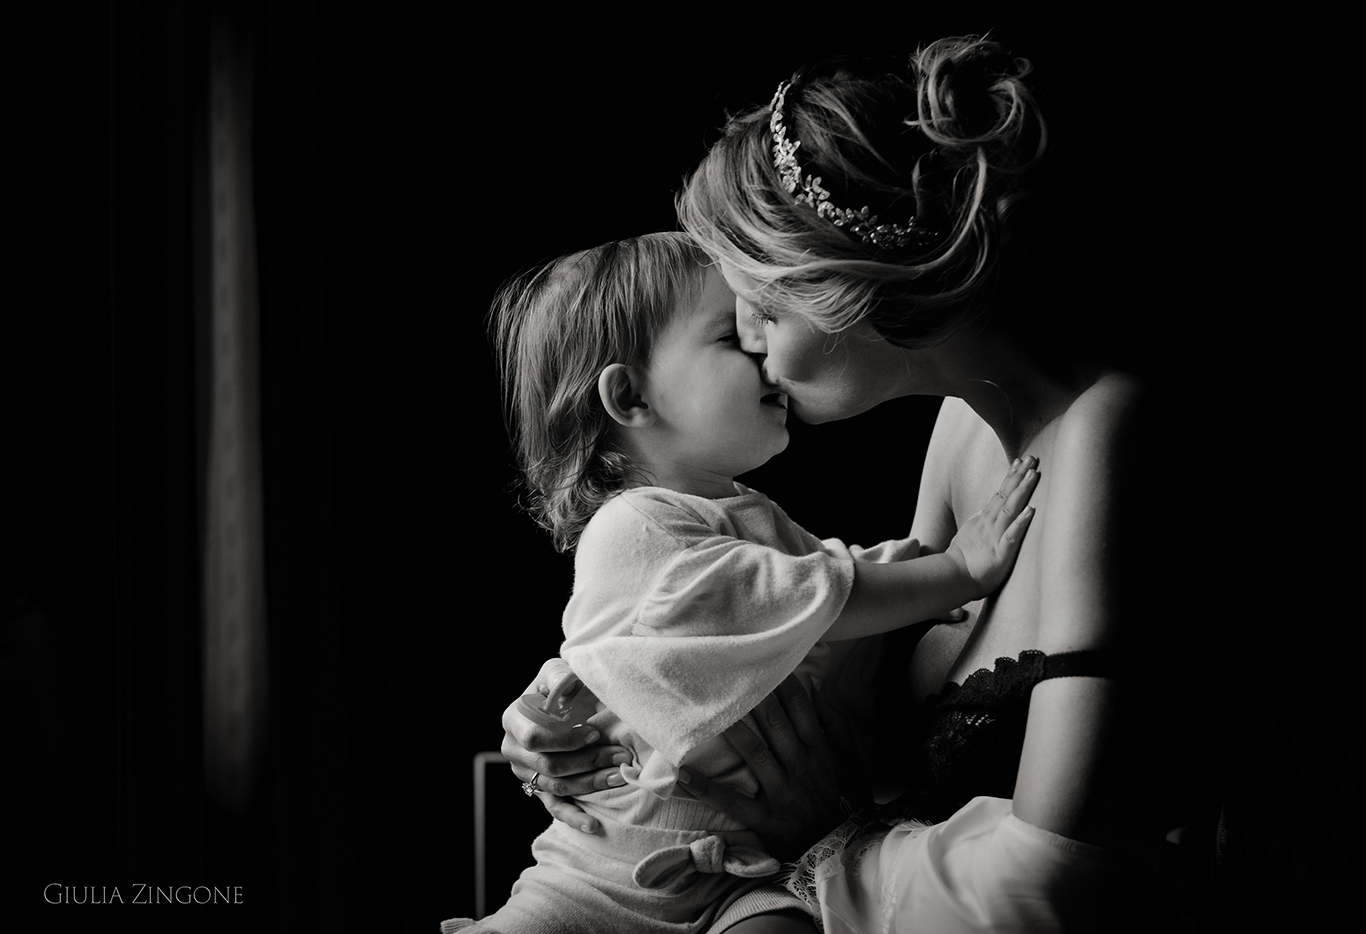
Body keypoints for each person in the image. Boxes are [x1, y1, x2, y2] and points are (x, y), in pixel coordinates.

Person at [499, 36, 1200, 932]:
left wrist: (812, 853)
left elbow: (1065, 881)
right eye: (736, 320)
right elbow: (852, 704)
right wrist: (604, 707)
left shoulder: (1106, 429)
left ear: (842, 287)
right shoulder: (960, 434)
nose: (755, 342)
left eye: (759, 303)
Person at [445, 231, 1039, 934]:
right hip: (601, 883)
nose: (763, 346)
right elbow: (808, 596)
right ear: (630, 395)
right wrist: (957, 570)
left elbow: (822, 580)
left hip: (740, 875)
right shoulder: (636, 526)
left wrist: (913, 564)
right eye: (733, 333)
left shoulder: (738, 513)